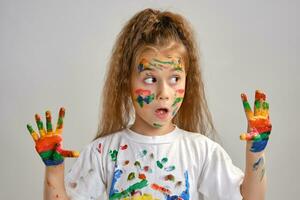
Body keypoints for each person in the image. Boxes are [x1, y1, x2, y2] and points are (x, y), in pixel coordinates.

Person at [26, 8, 272, 200]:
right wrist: (55, 170)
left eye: (175, 79)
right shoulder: (103, 153)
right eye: (151, 79)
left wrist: (256, 152)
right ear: (126, 82)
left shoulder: (201, 151)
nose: (164, 93)